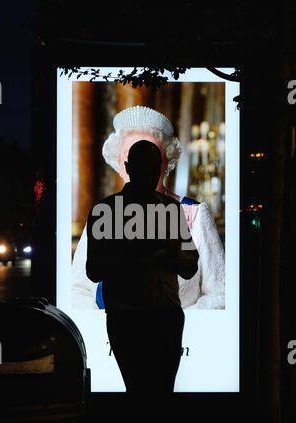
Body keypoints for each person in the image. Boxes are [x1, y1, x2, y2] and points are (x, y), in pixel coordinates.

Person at [72, 105, 225, 310]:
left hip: (171, 334)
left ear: (165, 163)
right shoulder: (103, 212)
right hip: (117, 332)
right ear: (122, 164)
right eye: (134, 157)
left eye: (151, 158)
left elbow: (219, 293)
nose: (143, 167)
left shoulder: (186, 212)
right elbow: (79, 287)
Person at [86, 140, 199, 396]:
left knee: (160, 397)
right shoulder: (105, 211)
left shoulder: (171, 210)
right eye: (143, 169)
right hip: (128, 320)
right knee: (140, 397)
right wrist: (135, 252)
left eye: (153, 169)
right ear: (127, 167)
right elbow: (93, 271)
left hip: (165, 318)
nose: (150, 176)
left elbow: (190, 266)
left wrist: (170, 252)